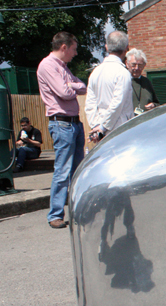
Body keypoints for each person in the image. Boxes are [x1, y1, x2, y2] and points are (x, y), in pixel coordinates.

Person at [37, 31, 87, 229]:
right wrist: (72, 86)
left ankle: (77, 210)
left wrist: (71, 84)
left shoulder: (63, 67)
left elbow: (82, 87)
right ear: (64, 47)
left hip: (74, 123)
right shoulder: (48, 66)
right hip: (62, 124)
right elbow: (64, 92)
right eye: (74, 49)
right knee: (63, 171)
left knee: (76, 170)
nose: (75, 53)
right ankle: (55, 214)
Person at [85, 31, 133, 143]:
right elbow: (117, 103)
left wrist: (96, 126)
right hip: (120, 128)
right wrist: (102, 127)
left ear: (106, 47)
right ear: (127, 48)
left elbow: (90, 104)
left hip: (100, 127)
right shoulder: (123, 73)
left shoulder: (95, 72)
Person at [125, 48, 160, 115]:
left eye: (140, 65)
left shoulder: (147, 82)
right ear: (127, 64)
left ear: (144, 65)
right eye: (133, 65)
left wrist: (153, 105)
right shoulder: (123, 81)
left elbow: (157, 103)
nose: (137, 68)